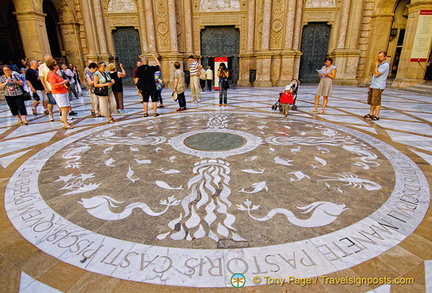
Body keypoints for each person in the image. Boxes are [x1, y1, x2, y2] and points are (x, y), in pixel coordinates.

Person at [45, 58, 73, 129]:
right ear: (54, 66)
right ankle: (65, 123)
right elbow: (54, 85)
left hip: (62, 91)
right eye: (56, 64)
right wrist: (63, 82)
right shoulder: (51, 74)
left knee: (66, 107)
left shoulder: (55, 73)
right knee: (64, 108)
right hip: (58, 93)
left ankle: (64, 119)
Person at [364, 51, 389, 121]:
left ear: (385, 57)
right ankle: (371, 113)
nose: (379, 58)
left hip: (379, 86)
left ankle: (376, 115)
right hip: (374, 85)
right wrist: (371, 85)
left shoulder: (385, 65)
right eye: (378, 57)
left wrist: (376, 65)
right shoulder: (381, 64)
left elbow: (376, 74)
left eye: (381, 57)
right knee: (372, 101)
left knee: (377, 101)